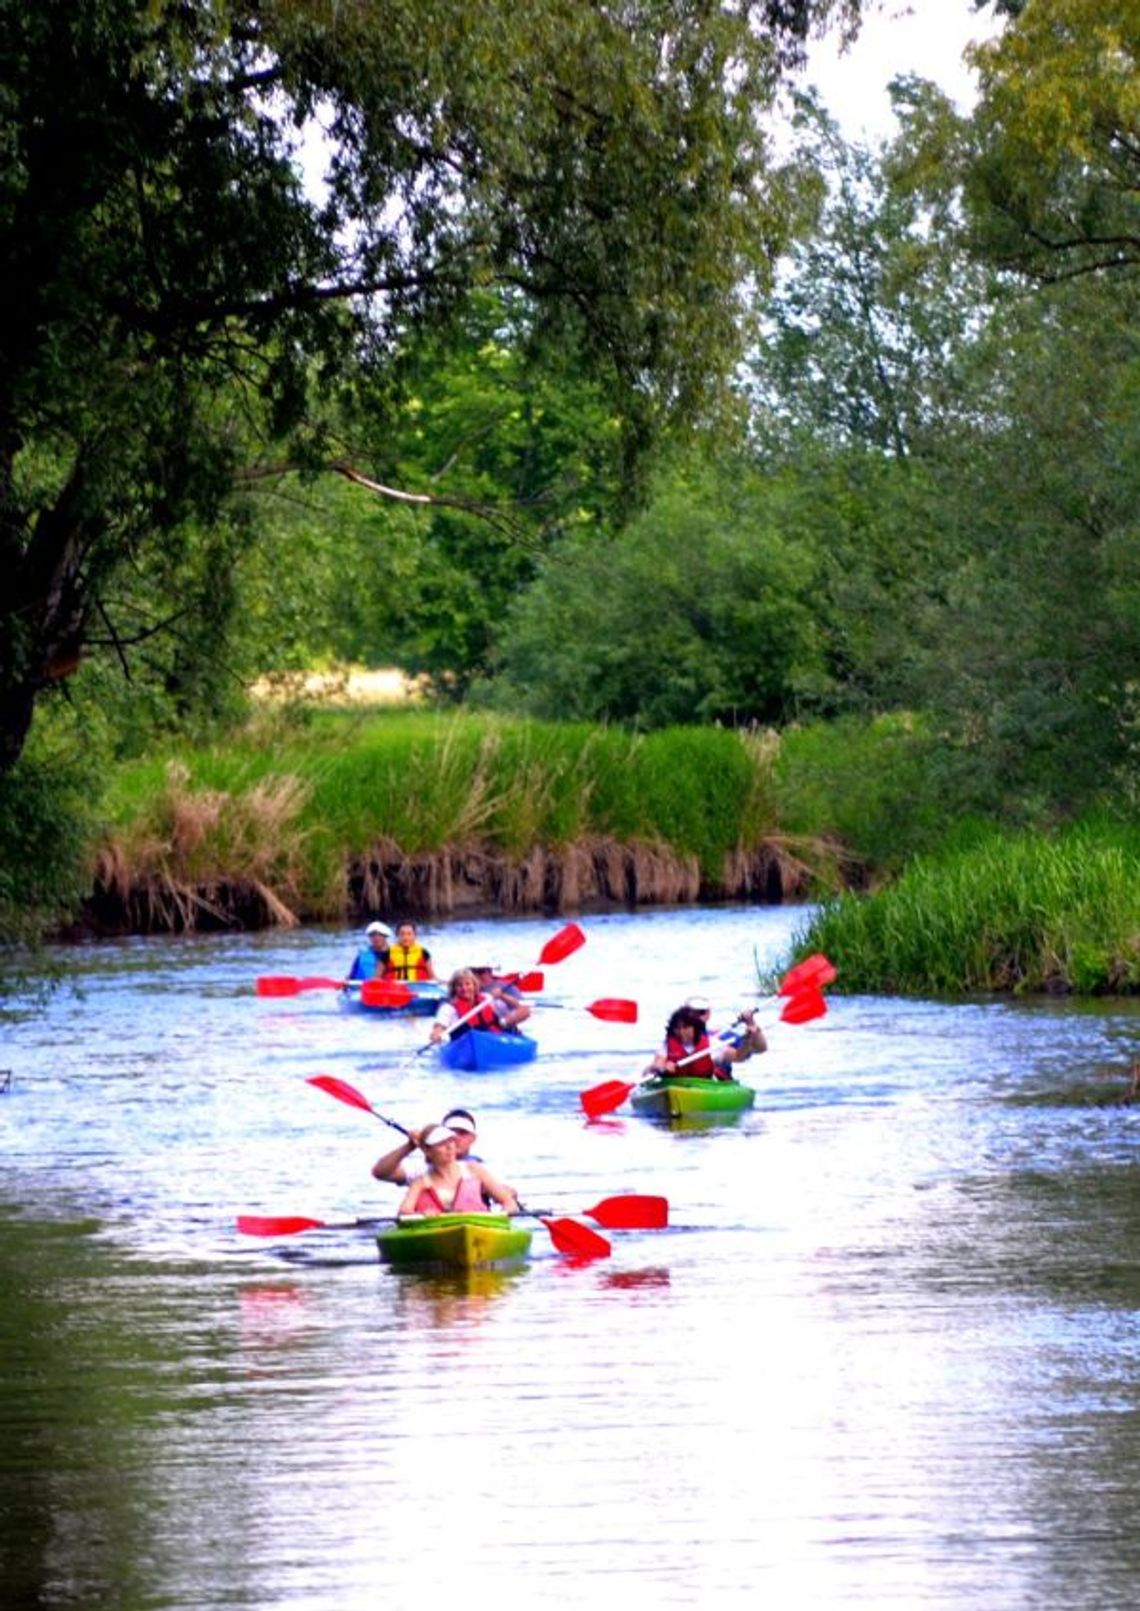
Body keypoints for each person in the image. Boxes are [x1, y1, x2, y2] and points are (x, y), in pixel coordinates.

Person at [396, 1126, 518, 1217]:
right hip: (438, 1229)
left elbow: (508, 1202)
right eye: (441, 1144)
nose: (449, 1147)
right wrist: (422, 1214)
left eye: (451, 1141)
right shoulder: (421, 1182)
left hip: (478, 1225)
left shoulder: (474, 1169)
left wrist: (502, 1215)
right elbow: (403, 1212)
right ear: (428, 1151)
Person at [646, 1002, 766, 1081]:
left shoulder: (712, 1045)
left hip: (703, 1085)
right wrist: (663, 1067)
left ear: (695, 1028)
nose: (681, 1032)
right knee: (650, 1068)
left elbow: (738, 1056)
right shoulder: (667, 1045)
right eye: (677, 1028)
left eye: (686, 1028)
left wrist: (747, 1041)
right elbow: (658, 1062)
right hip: (675, 1084)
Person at [372, 1108, 483, 1187]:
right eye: (450, 1133)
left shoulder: (481, 1170)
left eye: (462, 1133)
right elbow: (381, 1173)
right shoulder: (423, 1171)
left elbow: (501, 1197)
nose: (455, 1138)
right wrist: (409, 1146)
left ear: (473, 1138)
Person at [429, 968, 530, 1044]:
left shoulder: (487, 1000)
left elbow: (521, 1009)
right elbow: (439, 1027)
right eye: (459, 985)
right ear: (454, 988)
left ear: (474, 985)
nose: (464, 988)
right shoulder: (448, 1008)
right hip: (465, 1045)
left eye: (467, 984)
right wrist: (436, 1035)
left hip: (495, 1040)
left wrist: (502, 996)